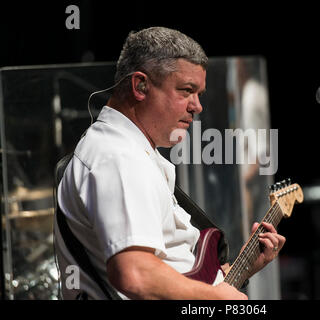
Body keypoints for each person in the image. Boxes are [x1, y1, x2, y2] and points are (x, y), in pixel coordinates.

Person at [54, 26, 285, 300]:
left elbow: (174, 270)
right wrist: (215, 299)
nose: (197, 106)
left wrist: (241, 270)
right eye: (186, 90)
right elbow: (135, 274)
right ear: (140, 85)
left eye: (198, 93)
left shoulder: (130, 151)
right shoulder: (120, 157)